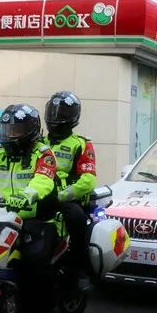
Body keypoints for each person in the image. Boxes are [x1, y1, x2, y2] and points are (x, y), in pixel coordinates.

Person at [0, 104, 63, 313]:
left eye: (16, 130)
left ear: (31, 130)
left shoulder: (43, 154)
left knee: (35, 263)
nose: (10, 135)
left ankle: (48, 311)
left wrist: (27, 196)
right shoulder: (0, 155)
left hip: (40, 219)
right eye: (7, 130)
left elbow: (43, 180)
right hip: (7, 216)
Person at [44, 91, 97, 290]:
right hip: (37, 198)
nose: (57, 117)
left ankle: (79, 271)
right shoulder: (39, 143)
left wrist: (62, 196)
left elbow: (88, 180)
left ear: (73, 117)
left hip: (67, 200)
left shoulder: (81, 144)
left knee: (76, 219)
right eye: (54, 111)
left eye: (63, 113)